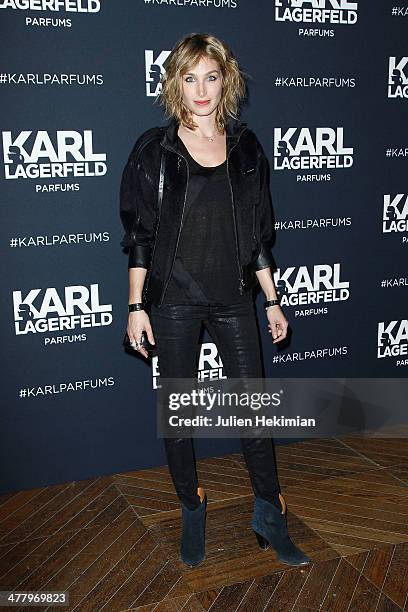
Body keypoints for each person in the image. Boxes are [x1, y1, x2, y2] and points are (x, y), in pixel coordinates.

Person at [120, 33, 310, 569]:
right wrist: (136, 307)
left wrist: (272, 300)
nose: (201, 89)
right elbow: (140, 237)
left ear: (226, 80)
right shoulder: (153, 150)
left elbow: (256, 238)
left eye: (211, 76)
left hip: (234, 299)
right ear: (174, 83)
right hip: (174, 302)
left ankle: (270, 512)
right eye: (189, 76)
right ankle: (191, 506)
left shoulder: (247, 146)